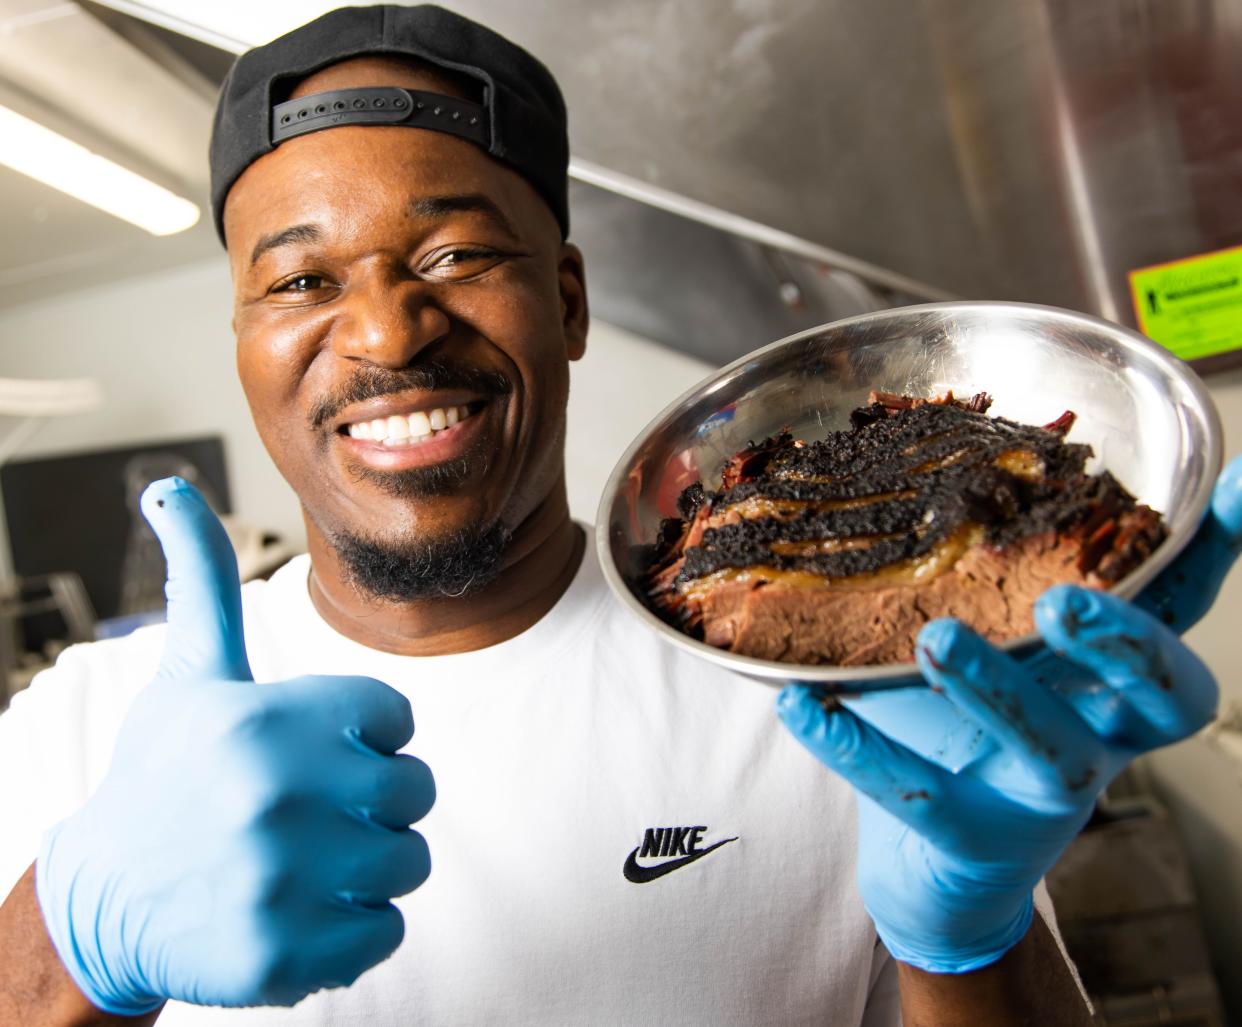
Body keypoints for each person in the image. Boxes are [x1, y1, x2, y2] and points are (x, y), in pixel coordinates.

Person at [0, 5, 1239, 1024]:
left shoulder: (825, 692)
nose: (385, 332)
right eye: (301, 280)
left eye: (452, 257)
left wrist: (973, 943)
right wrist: (71, 939)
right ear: (244, 343)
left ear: (571, 302)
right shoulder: (89, 734)